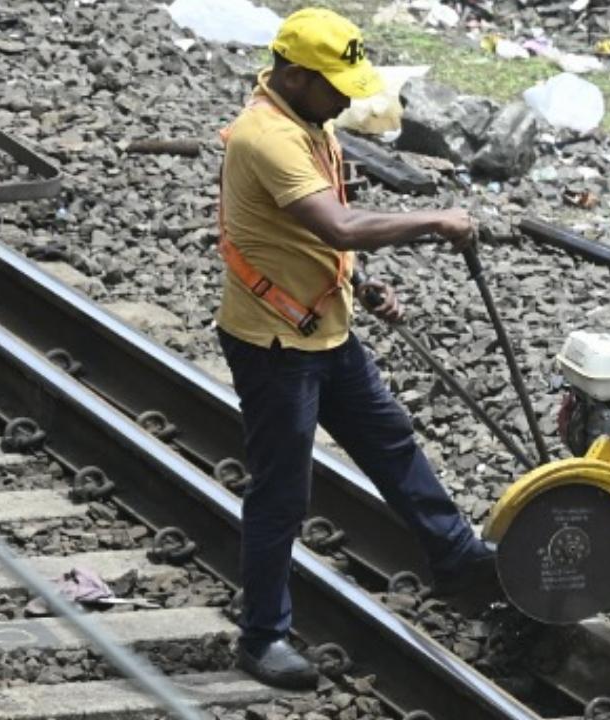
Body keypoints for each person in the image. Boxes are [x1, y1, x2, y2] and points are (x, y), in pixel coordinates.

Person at [215, 8, 496, 689]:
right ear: (293, 74)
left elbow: (312, 235)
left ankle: (460, 561)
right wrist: (433, 219)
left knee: (391, 442)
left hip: (326, 327)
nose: (346, 96)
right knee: (283, 491)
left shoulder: (313, 122)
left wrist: (360, 283)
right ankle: (262, 638)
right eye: (334, 83)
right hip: (275, 343)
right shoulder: (266, 137)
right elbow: (336, 224)